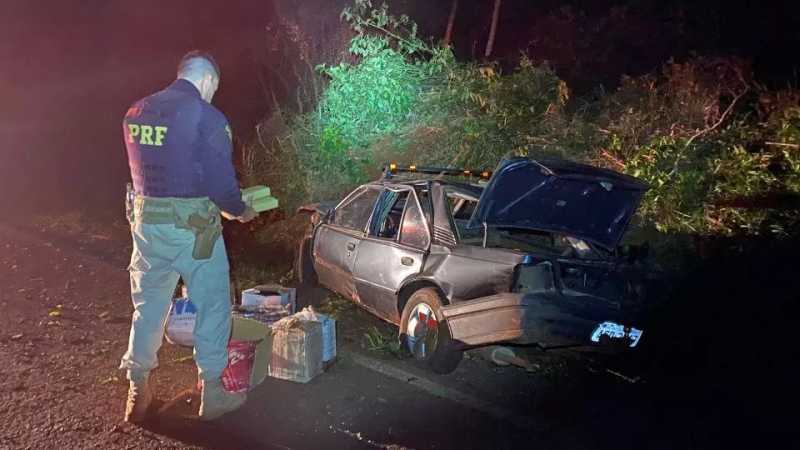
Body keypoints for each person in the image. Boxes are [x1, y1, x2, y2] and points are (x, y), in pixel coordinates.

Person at [119, 50, 258, 423]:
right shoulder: (206, 116)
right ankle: (212, 393)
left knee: (148, 308)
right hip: (193, 229)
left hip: (147, 224)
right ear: (209, 80)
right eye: (215, 87)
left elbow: (152, 169)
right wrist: (239, 209)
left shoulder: (136, 112)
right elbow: (221, 183)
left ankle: (138, 390)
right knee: (212, 304)